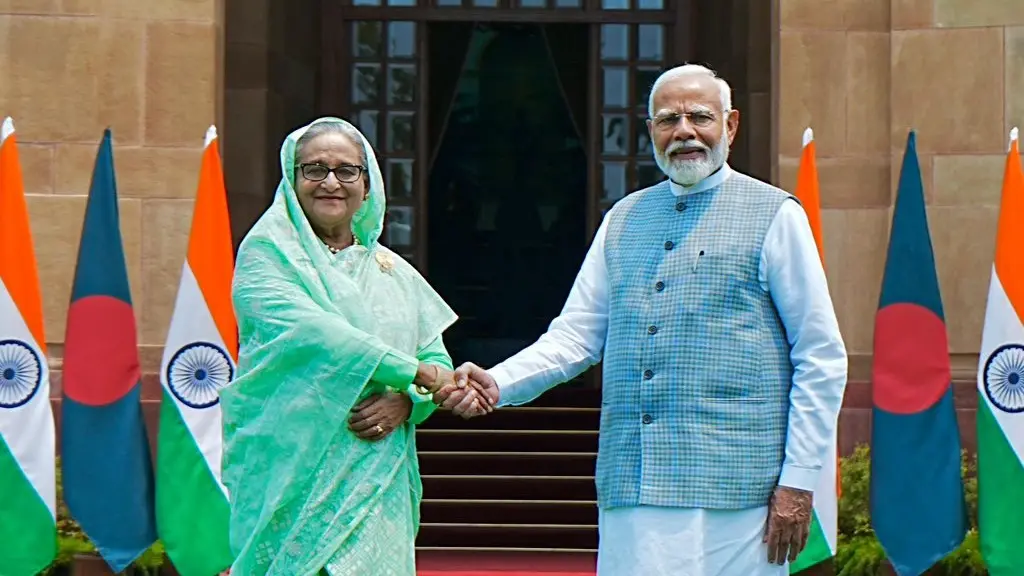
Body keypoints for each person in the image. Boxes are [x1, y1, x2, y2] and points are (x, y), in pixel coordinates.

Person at [438, 64, 848, 575]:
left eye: (700, 117)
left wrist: (799, 480)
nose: (684, 132)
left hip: (739, 490)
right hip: (633, 481)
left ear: (731, 125)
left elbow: (820, 356)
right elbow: (575, 337)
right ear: (651, 130)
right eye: (668, 119)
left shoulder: (775, 214)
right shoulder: (623, 218)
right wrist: (498, 382)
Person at [220, 117, 490, 576]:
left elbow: (435, 355)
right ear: (291, 179)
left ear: (367, 186)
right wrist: (420, 376)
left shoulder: (393, 271)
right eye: (314, 169)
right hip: (291, 467)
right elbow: (318, 336)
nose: (331, 182)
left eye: (347, 170)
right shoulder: (267, 255)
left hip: (376, 468)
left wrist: (408, 401)